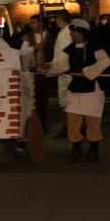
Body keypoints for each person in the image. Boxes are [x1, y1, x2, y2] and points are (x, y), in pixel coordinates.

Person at [44, 19, 110, 162]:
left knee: (93, 121)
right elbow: (61, 66)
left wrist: (88, 71)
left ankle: (94, 150)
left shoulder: (95, 47)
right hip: (75, 89)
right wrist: (47, 68)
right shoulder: (70, 49)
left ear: (83, 33)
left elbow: (105, 61)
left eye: (75, 32)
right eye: (72, 31)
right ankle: (76, 149)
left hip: (93, 90)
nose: (73, 34)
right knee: (73, 121)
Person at [20, 15, 54, 131]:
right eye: (31, 22)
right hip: (33, 72)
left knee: (44, 100)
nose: (31, 25)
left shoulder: (52, 36)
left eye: (34, 22)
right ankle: (34, 125)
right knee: (34, 100)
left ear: (41, 23)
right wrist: (35, 47)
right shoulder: (29, 36)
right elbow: (22, 52)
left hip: (47, 71)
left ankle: (42, 124)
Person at [49, 10, 73, 138]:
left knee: (66, 102)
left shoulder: (67, 33)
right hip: (62, 71)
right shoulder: (62, 33)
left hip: (66, 72)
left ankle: (70, 127)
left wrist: (56, 68)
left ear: (60, 19)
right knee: (64, 102)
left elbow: (64, 55)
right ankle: (69, 127)